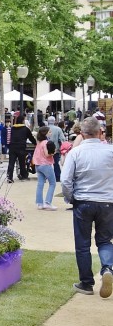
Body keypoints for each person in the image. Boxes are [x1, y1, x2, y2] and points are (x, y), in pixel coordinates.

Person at [61, 116, 113, 297]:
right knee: (105, 240)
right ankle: (107, 268)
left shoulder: (75, 153)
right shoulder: (110, 151)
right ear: (100, 132)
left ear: (82, 134)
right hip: (107, 201)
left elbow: (66, 180)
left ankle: (86, 282)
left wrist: (70, 198)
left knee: (82, 244)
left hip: (83, 200)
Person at [32, 127, 57, 211]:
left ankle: (39, 203)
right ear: (45, 133)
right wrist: (53, 152)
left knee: (40, 184)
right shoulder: (46, 142)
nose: (50, 133)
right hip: (46, 164)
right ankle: (48, 202)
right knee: (52, 183)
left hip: (38, 164)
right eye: (49, 132)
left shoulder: (39, 142)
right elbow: (47, 154)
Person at [6, 114, 36, 183]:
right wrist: (35, 143)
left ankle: (9, 177)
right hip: (21, 147)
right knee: (22, 162)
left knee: (11, 163)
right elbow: (31, 138)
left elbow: (9, 138)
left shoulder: (12, 128)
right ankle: (23, 176)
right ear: (23, 121)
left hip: (12, 147)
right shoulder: (25, 129)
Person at [47, 117, 66, 182]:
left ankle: (47, 176)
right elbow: (62, 139)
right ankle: (57, 177)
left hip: (45, 149)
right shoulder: (58, 129)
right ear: (54, 121)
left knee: (47, 163)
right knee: (55, 163)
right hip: (56, 149)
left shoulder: (44, 128)